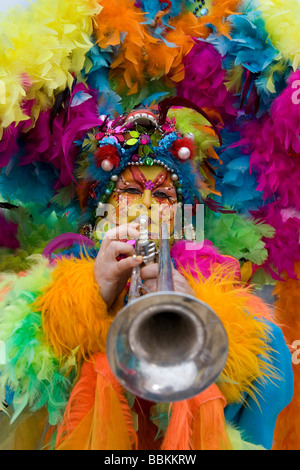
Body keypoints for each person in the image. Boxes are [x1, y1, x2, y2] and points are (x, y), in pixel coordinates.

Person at [0, 104, 293, 450]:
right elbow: (13, 384)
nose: (148, 207)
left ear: (181, 216)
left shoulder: (212, 278)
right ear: (105, 206)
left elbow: (272, 381)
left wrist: (200, 309)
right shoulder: (59, 274)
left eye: (162, 195)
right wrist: (94, 293)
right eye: (132, 192)